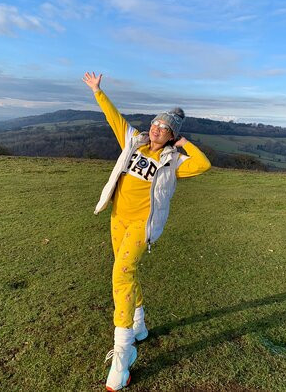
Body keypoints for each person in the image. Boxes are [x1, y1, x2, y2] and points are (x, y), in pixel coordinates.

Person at [82, 72, 211, 391]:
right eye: (156, 123)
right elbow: (114, 118)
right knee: (127, 271)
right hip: (118, 218)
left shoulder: (174, 160)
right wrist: (99, 91)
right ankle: (138, 324)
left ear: (171, 135)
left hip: (143, 225)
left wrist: (182, 142)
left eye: (165, 128)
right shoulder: (134, 139)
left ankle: (122, 359)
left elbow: (204, 164)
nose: (156, 129)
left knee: (122, 273)